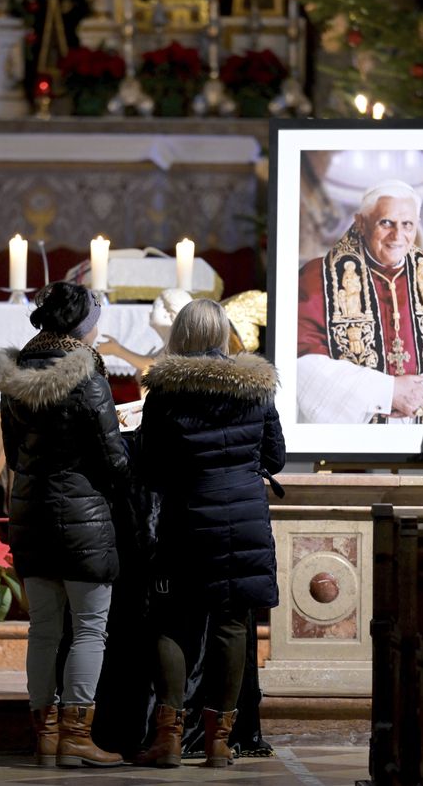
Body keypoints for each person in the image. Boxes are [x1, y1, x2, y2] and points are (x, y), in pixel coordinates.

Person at [134, 299, 286, 768]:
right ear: (223, 335)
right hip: (243, 520)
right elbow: (275, 458)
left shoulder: (165, 389)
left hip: (186, 516)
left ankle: (169, 738)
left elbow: (148, 462)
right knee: (233, 623)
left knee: (172, 620)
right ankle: (220, 742)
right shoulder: (256, 387)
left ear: (180, 335)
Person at [0, 282, 130, 769]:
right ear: (83, 324)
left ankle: (44, 736)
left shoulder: (16, 372)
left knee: (44, 629)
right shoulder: (86, 373)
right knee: (89, 629)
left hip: (30, 511)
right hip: (84, 516)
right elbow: (113, 459)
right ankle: (76, 735)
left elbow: (13, 454)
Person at [296, 179, 423, 424]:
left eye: (407, 225)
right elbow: (303, 361)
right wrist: (387, 392)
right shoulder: (318, 276)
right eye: (386, 223)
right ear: (361, 223)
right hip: (353, 439)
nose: (397, 236)